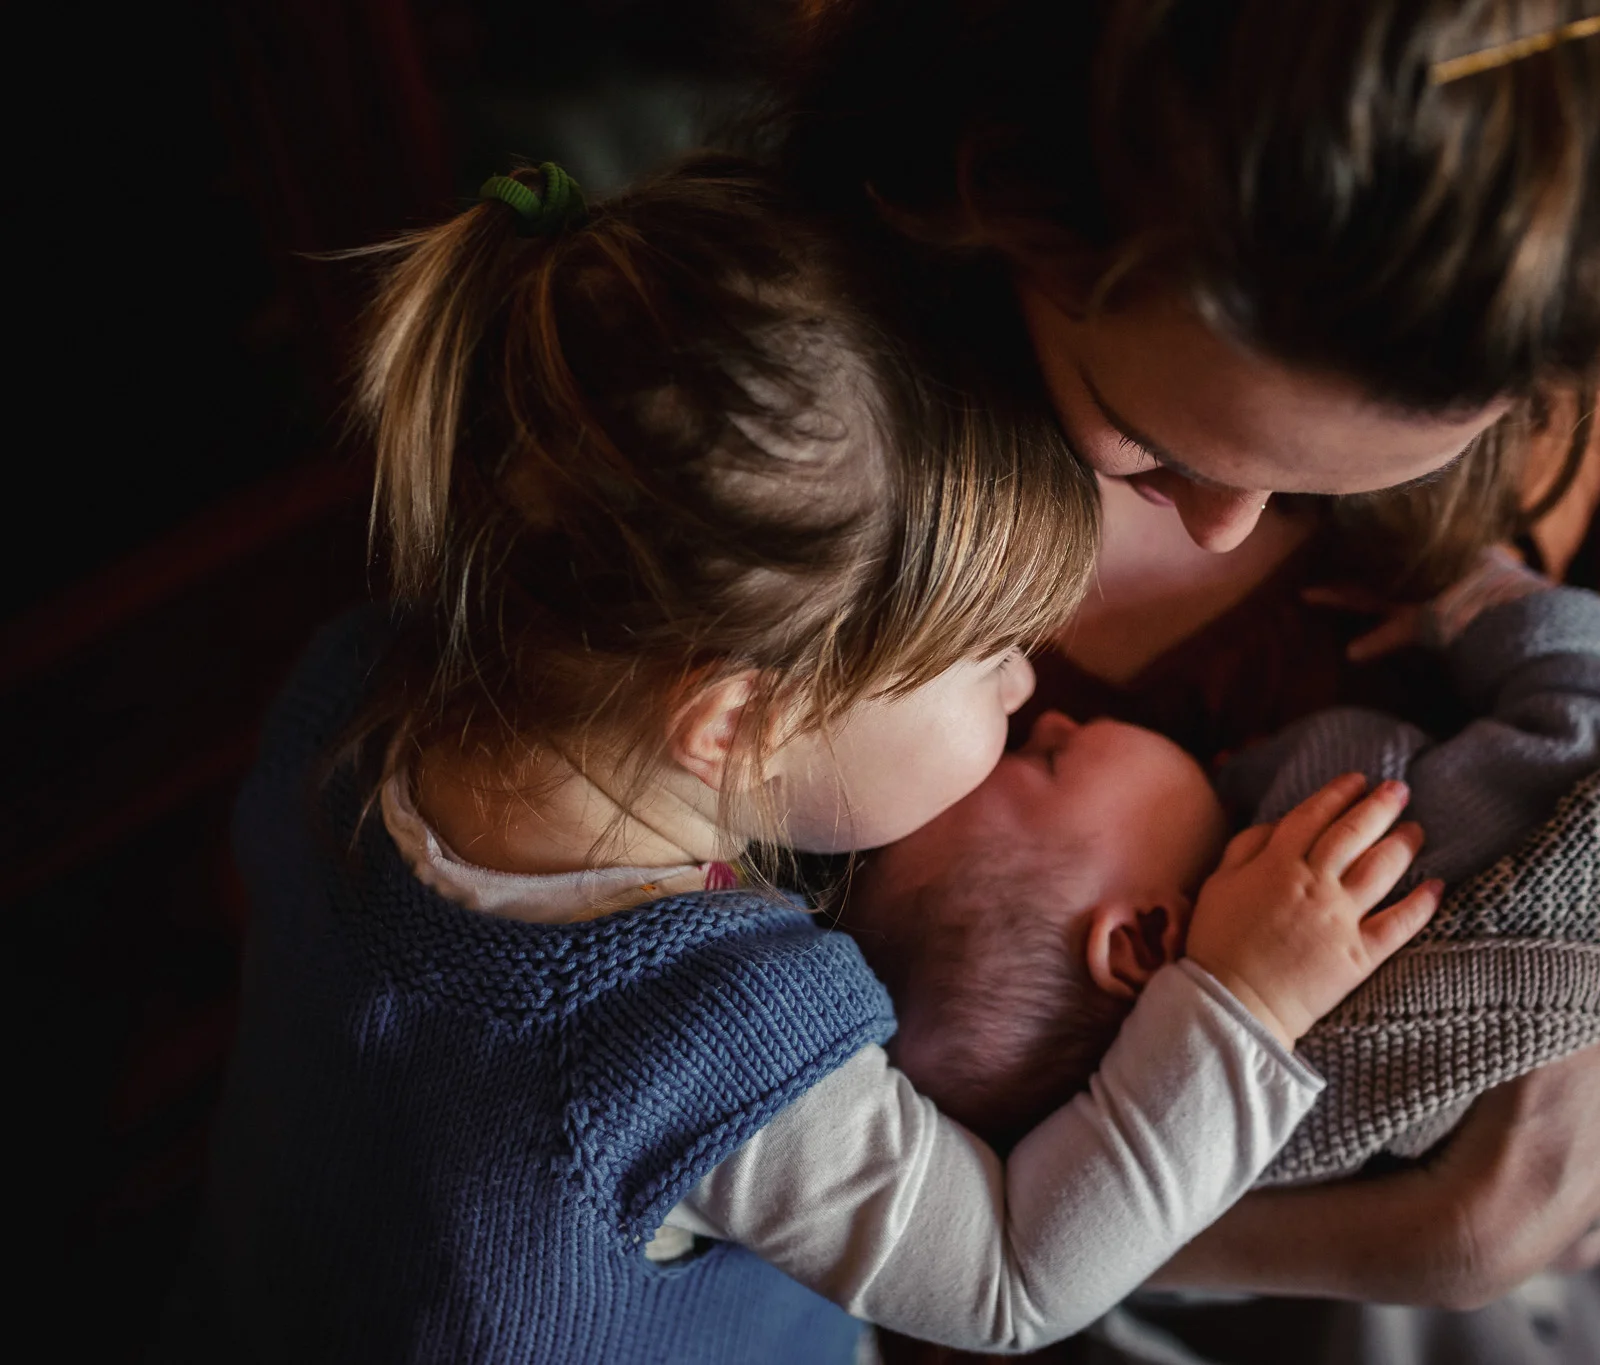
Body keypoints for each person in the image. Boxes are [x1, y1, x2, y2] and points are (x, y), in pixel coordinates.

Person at [774, 0, 1600, 1354]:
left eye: (1342, 480)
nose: (1224, 524)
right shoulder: (800, 459)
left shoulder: (1581, 324)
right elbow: (830, 1173)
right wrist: (1405, 1240)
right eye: (1151, 441)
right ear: (999, 198)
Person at [159, 157, 1452, 1362]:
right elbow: (1008, 1277)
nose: (1026, 685)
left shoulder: (355, 680)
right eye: (995, 651)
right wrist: (1240, 1007)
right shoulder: (713, 1038)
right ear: (739, 721)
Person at [841, 547, 1600, 1188]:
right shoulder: (1352, 834)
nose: (1047, 715)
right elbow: (1586, 714)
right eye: (1044, 762)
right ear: (1141, 938)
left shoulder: (1218, 1133)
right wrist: (1476, 598)